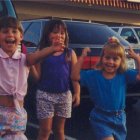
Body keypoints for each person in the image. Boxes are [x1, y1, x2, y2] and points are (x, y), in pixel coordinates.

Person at [0, 16, 64, 139]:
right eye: (5, 31)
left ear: (21, 37)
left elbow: (37, 56)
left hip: (18, 113)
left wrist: (52, 49)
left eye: (14, 31)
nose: (10, 34)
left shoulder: (24, 58)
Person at [71, 36, 140, 140]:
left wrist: (137, 58)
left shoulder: (123, 74)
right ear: (102, 58)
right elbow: (74, 76)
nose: (110, 62)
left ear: (121, 61)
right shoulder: (94, 75)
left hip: (119, 118)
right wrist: (82, 57)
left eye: (115, 59)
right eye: (107, 57)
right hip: (100, 117)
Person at [33, 19, 80, 140]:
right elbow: (37, 78)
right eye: (55, 32)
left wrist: (77, 93)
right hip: (44, 95)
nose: (59, 35)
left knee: (59, 130)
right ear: (48, 35)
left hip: (64, 96)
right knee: (45, 130)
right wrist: (31, 64)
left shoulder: (70, 53)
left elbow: (74, 77)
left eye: (62, 33)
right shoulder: (41, 52)